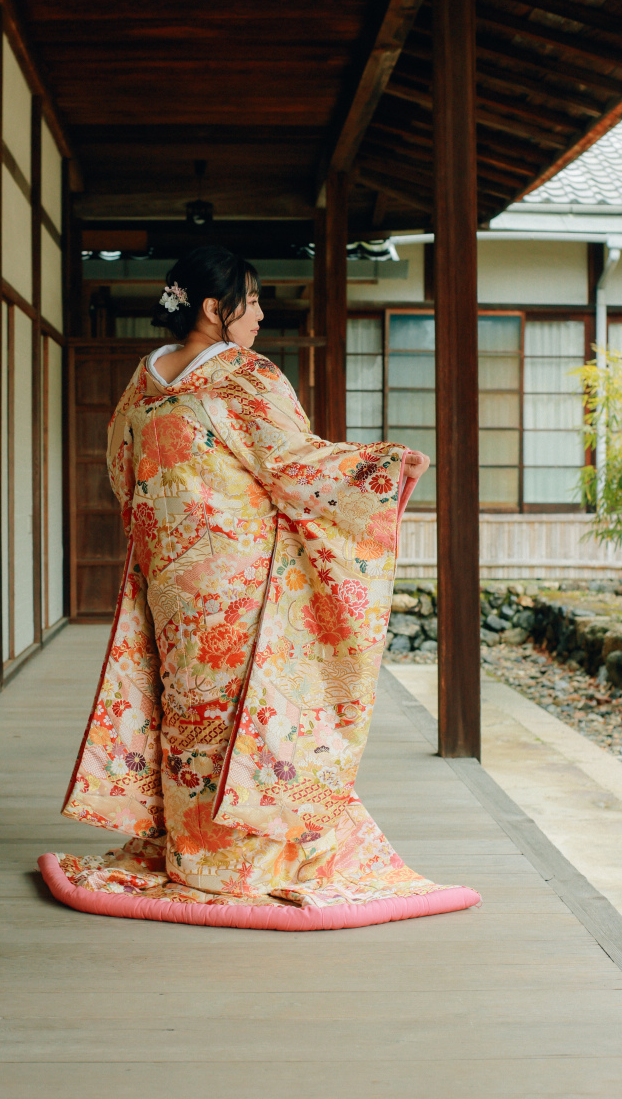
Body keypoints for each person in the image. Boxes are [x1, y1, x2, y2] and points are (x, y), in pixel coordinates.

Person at [39, 246, 480, 930]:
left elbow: (122, 474)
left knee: (189, 710)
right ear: (216, 309)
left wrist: (167, 535)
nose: (261, 314)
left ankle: (193, 852)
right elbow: (297, 466)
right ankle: (246, 861)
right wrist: (383, 466)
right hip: (238, 576)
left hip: (171, 577)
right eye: (252, 299)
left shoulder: (141, 382)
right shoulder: (245, 376)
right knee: (249, 707)